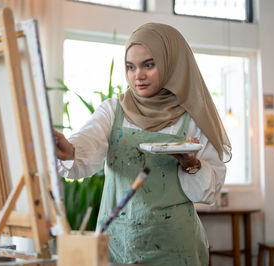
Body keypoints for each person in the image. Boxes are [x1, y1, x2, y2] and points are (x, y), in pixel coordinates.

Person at [55, 22, 231, 265]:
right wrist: (69, 151)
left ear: (172, 63)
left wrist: (192, 163)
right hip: (118, 245)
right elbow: (86, 144)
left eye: (149, 64)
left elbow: (209, 192)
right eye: (130, 67)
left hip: (175, 247)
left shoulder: (193, 118)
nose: (138, 75)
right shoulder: (113, 110)